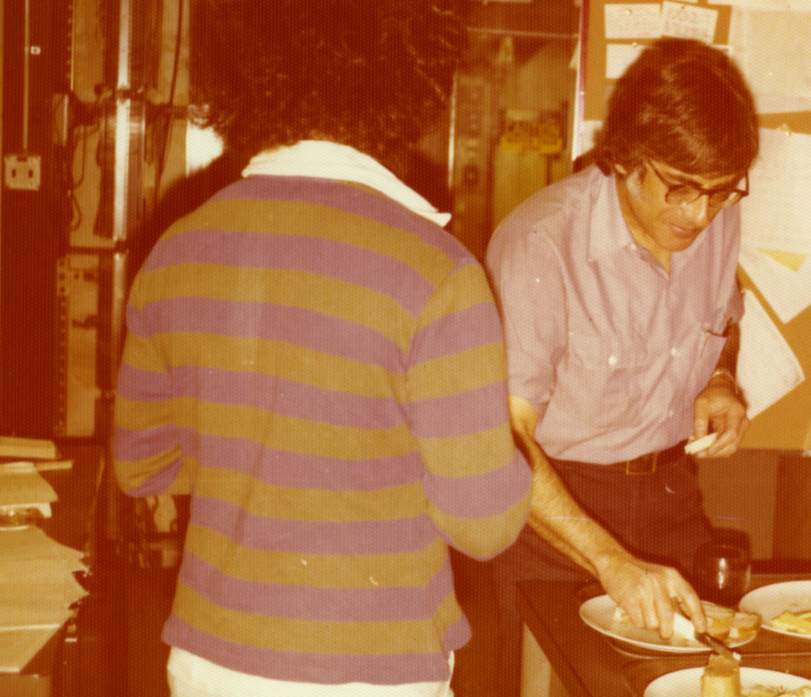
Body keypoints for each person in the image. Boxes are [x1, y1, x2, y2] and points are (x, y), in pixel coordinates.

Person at [111, 1, 531, 695]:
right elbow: (484, 525)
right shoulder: (436, 271)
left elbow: (140, 466)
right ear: (407, 74)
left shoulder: (177, 249)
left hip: (208, 657)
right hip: (370, 668)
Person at [485, 37, 758, 692]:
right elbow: (502, 439)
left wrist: (721, 374)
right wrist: (610, 559)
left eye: (720, 193)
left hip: (671, 498)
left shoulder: (716, 217)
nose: (698, 214)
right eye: (681, 189)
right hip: (555, 508)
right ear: (629, 154)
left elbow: (724, 321)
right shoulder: (541, 243)